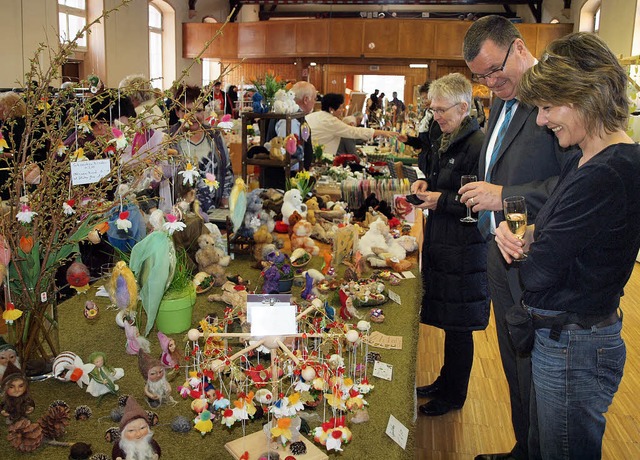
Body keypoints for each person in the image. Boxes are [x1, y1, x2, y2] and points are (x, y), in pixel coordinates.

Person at [494, 32, 640, 459]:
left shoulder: (608, 172)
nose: (540, 121)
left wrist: (522, 248)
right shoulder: (586, 159)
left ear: (585, 97)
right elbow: (551, 228)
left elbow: (538, 271)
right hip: (565, 339)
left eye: (547, 108)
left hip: (575, 346)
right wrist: (529, 236)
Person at [457, 15, 569, 460]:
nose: (488, 82)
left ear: (519, 49)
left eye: (493, 71)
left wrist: (503, 196)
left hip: (534, 256)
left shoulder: (556, 99)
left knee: (537, 372)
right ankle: (523, 448)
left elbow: (570, 185)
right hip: (498, 253)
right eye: (480, 77)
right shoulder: (503, 97)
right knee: (513, 364)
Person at [409, 73, 488, 417]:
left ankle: (454, 395)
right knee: (451, 324)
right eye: (433, 109)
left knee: (460, 327)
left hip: (465, 247)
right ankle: (445, 380)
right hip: (446, 242)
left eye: (441, 110)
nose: (435, 116)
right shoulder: (446, 137)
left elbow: (479, 200)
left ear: (463, 107)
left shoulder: (477, 145)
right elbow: (433, 170)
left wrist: (441, 200)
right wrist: (425, 180)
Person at [170, 85, 234, 212]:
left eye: (198, 111)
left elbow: (227, 171)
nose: (193, 116)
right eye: (187, 111)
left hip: (213, 211)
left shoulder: (215, 135)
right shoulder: (169, 139)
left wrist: (225, 204)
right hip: (180, 214)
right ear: (177, 112)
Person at [305, 93, 396, 158]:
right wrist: (381, 132)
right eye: (340, 107)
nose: (343, 110)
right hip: (317, 156)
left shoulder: (313, 115)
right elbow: (353, 132)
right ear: (331, 109)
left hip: (309, 154)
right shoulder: (330, 121)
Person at [262, 81, 317, 189]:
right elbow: (287, 150)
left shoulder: (295, 116)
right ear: (306, 99)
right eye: (314, 98)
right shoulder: (289, 120)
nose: (315, 102)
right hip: (284, 180)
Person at [398, 82, 437, 174]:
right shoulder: (426, 116)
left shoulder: (439, 119)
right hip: (426, 164)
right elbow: (422, 143)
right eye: (423, 99)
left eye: (427, 98)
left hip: (434, 166)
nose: (424, 102)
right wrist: (408, 140)